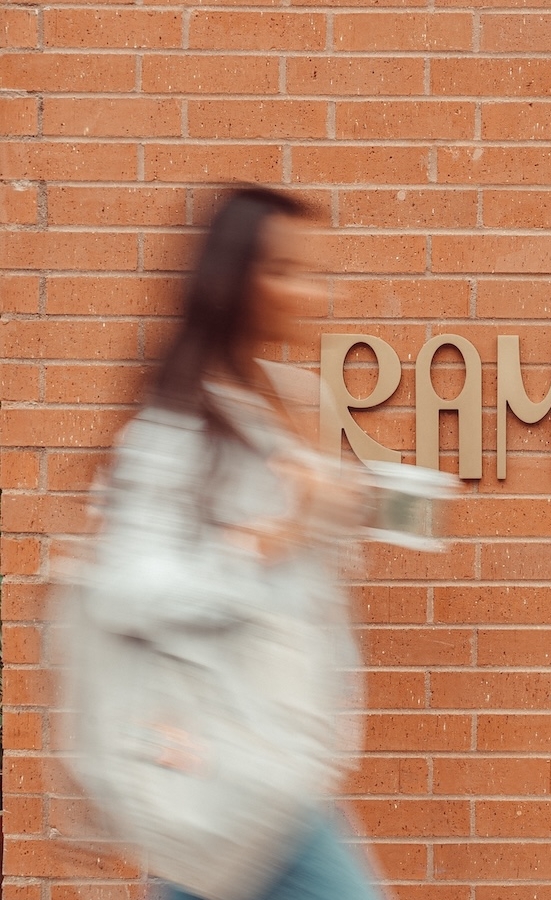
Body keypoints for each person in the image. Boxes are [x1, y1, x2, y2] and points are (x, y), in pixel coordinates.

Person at [55, 187, 379, 900]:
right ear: (234, 282)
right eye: (286, 272)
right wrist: (269, 543)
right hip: (230, 766)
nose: (313, 294)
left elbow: (303, 577)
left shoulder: (289, 402)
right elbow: (125, 590)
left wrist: (337, 507)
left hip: (273, 761)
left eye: (317, 273)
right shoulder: (178, 431)